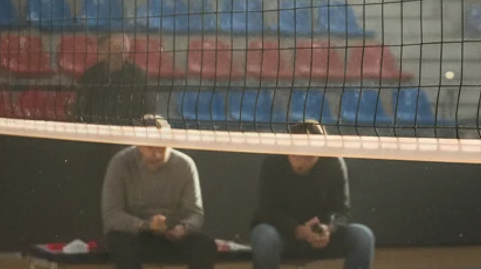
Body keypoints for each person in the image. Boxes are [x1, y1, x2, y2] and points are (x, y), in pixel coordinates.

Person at [249, 121, 375, 269]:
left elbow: (341, 212)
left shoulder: (334, 163)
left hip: (321, 237)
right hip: (285, 235)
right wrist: (298, 230)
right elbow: (268, 211)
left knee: (362, 236)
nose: (300, 158)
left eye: (308, 155)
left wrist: (328, 229)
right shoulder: (272, 163)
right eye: (295, 151)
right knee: (264, 236)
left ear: (319, 153)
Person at [101, 115, 218, 269]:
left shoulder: (185, 165)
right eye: (150, 147)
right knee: (121, 245)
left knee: (205, 246)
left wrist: (183, 228)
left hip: (172, 237)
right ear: (138, 143)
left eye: (162, 147)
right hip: (133, 236)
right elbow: (112, 214)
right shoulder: (120, 163)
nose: (157, 154)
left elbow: (196, 213)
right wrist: (145, 225)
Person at [75, 33, 153, 124]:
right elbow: (81, 109)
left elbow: (148, 110)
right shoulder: (91, 75)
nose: (120, 56)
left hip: (129, 128)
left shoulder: (139, 77)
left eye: (122, 51)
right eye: (116, 52)